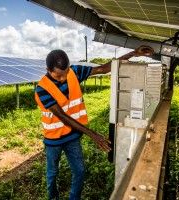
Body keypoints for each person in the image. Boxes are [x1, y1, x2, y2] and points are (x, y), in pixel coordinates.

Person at [34, 46, 154, 200]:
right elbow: (62, 117)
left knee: (80, 171)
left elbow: (103, 69)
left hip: (72, 137)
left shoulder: (74, 72)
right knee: (52, 173)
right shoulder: (42, 89)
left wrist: (133, 53)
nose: (63, 78)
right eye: (58, 76)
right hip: (53, 140)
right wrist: (93, 135)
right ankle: (53, 197)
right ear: (47, 69)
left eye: (65, 73)